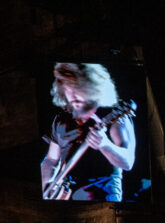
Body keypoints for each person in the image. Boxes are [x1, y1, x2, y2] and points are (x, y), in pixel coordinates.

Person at [41, 62, 136, 202]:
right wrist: (46, 188)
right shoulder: (62, 119)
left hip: (103, 196)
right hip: (65, 196)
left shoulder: (114, 113)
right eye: (68, 87)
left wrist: (105, 144)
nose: (72, 94)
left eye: (78, 86)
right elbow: (51, 159)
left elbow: (128, 162)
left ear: (91, 85)